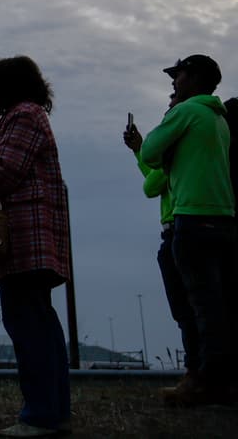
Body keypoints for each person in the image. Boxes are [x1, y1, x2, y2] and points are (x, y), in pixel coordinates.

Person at [0, 56, 70, 438]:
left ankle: (40, 414)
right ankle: (54, 408)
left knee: (26, 323)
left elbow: (6, 171)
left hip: (26, 237)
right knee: (40, 321)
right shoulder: (32, 114)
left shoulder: (23, 116)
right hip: (35, 239)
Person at [137, 55, 233, 406]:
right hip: (224, 220)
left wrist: (163, 139)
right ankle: (222, 383)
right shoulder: (218, 119)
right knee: (219, 308)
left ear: (193, 77)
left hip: (191, 219)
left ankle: (204, 383)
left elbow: (149, 152)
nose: (173, 83)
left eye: (177, 75)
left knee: (198, 310)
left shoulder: (186, 112)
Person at [124, 94, 202, 392]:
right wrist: (139, 152)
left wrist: (147, 158)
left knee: (187, 309)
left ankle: (195, 373)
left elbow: (151, 185)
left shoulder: (178, 142)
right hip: (184, 226)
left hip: (178, 228)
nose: (170, 98)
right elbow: (156, 178)